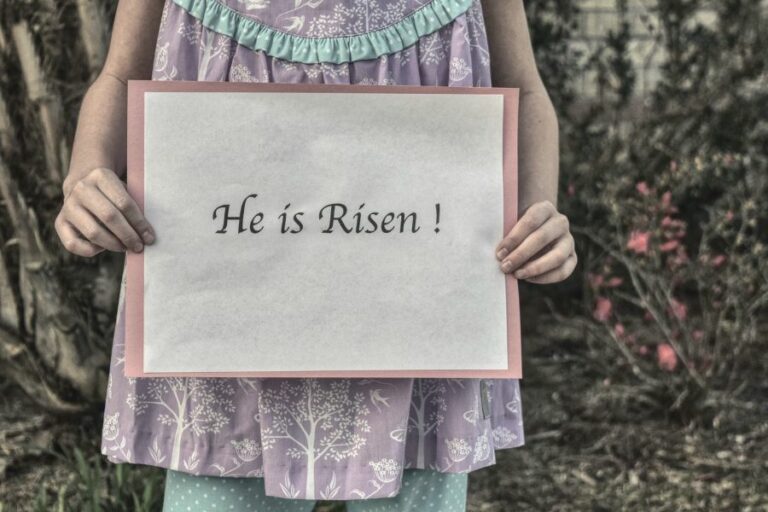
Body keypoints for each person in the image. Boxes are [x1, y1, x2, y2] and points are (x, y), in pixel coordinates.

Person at [56, 0, 576, 510]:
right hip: (223, 330)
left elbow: (525, 89)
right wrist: (86, 175)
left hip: (421, 331)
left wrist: (539, 214)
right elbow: (121, 76)